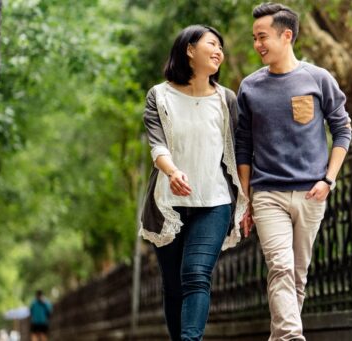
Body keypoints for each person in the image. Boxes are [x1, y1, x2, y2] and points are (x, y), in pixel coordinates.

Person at [235, 3, 352, 340]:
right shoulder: (250, 87)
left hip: (312, 193)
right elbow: (243, 144)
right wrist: (246, 198)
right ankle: (291, 337)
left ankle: (281, 336)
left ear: (286, 35)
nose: (257, 44)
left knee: (296, 276)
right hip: (268, 193)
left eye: (262, 37)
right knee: (281, 267)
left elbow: (342, 130)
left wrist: (329, 179)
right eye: (254, 38)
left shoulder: (318, 79)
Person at [138, 24, 250, 341]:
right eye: (212, 44)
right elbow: (157, 146)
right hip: (168, 204)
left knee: (196, 275)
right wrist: (173, 172)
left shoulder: (226, 100)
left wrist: (247, 199)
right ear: (190, 49)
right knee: (173, 286)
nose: (219, 51)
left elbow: (241, 150)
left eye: (221, 47)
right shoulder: (159, 96)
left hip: (214, 203)